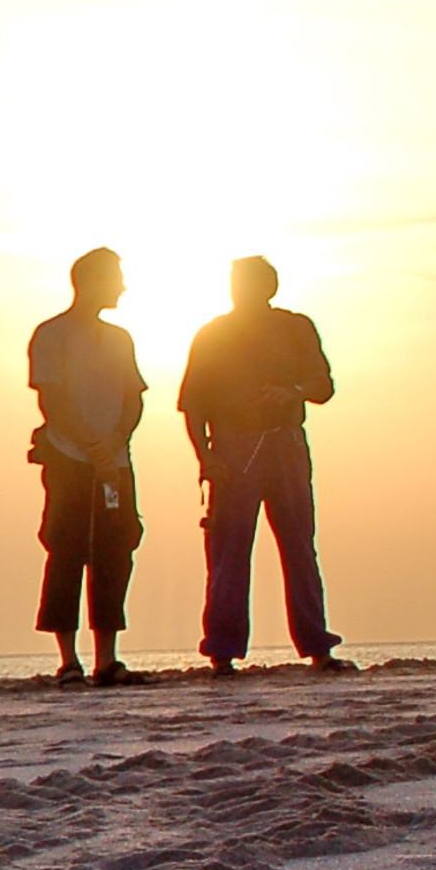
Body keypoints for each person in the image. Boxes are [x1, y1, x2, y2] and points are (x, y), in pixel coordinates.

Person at [178, 255, 352, 675]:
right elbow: (193, 404)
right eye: (236, 282)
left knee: (298, 545)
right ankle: (222, 651)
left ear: (268, 287)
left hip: (285, 443)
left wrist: (290, 391)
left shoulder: (295, 328)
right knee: (228, 549)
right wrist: (206, 457)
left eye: (248, 282)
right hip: (234, 449)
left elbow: (323, 386)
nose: (239, 290)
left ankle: (317, 646)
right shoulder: (213, 334)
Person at [27, 247, 146, 685]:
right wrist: (89, 445)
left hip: (113, 463)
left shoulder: (120, 339)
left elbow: (134, 397)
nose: (122, 286)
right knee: (66, 549)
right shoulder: (51, 334)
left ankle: (107, 658)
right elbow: (52, 398)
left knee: (115, 551)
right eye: (115, 277)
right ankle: (67, 660)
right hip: (68, 458)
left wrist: (113, 442)